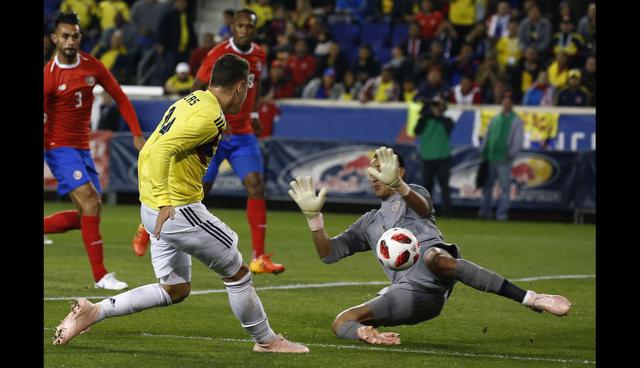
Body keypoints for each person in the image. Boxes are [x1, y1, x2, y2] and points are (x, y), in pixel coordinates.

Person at [52, 53, 310, 354]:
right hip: (178, 211)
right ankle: (267, 341)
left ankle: (93, 312)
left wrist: (152, 203)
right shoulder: (210, 117)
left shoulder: (193, 100)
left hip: (156, 212)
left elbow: (150, 149)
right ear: (241, 87)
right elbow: (158, 152)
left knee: (175, 288)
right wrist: (163, 201)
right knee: (238, 272)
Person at [287, 146, 571, 346]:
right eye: (370, 172)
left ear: (399, 171)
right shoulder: (368, 223)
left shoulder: (414, 193)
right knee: (342, 322)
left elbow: (422, 207)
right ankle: (368, 335)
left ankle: (532, 299)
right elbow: (329, 254)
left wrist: (399, 186)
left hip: (435, 275)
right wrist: (314, 220)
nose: (374, 177)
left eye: (380, 169)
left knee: (436, 257)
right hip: (407, 295)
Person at [44, 12, 146, 290]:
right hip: (58, 147)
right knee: (90, 202)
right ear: (55, 38)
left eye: (75, 35)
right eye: (65, 36)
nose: (70, 40)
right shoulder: (49, 76)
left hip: (82, 147)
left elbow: (120, 97)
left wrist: (137, 133)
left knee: (89, 214)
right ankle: (101, 275)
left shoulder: (91, 65)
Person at [196, 9, 282, 274]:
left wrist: (254, 113)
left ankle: (259, 258)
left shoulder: (259, 54)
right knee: (197, 192)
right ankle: (153, 229)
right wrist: (216, 120)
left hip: (243, 134)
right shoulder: (217, 53)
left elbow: (254, 88)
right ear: (232, 27)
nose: (244, 30)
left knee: (256, 187)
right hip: (217, 133)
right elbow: (198, 89)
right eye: (240, 26)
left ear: (254, 30)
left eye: (249, 27)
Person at [478, 93, 524, 221]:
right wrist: (483, 150)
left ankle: (501, 214)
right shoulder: (495, 118)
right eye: (504, 103)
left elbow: (518, 140)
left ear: (511, 105)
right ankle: (485, 212)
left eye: (508, 103)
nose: (506, 105)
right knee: (487, 187)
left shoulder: (516, 120)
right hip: (490, 157)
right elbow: (488, 135)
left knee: (504, 188)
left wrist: (511, 155)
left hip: (504, 159)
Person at [414, 95, 454, 216]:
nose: (437, 108)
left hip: (442, 158)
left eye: (439, 105)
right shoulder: (425, 120)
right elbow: (416, 130)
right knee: (427, 187)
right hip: (428, 158)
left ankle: (447, 212)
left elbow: (448, 126)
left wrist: (437, 111)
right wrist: (428, 110)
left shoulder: (447, 121)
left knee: (444, 187)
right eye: (435, 105)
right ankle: (426, 211)